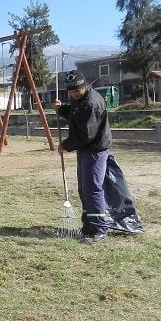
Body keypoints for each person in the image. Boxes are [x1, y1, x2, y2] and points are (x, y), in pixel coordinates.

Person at [54, 70, 113, 243]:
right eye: (70, 92)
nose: (73, 94)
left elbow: (86, 134)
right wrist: (62, 109)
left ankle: (100, 230)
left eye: (76, 91)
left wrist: (66, 145)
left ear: (84, 85)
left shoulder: (92, 103)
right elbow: (75, 114)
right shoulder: (78, 99)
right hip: (84, 149)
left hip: (95, 149)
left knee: (93, 189)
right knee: (84, 189)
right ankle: (88, 226)